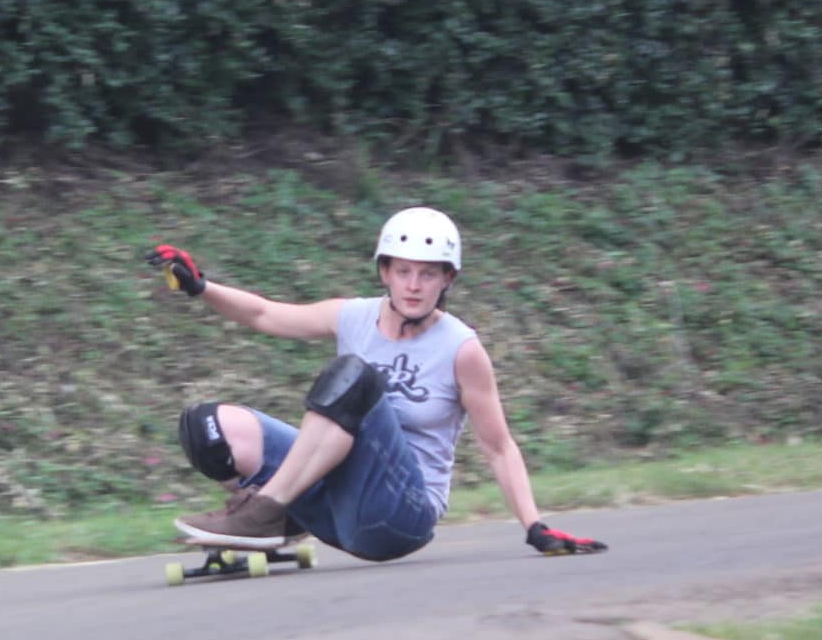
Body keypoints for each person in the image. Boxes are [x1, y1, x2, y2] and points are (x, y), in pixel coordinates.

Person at [148, 207, 608, 561]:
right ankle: (278, 520)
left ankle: (261, 512)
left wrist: (535, 526)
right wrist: (200, 287)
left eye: (428, 274)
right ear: (385, 272)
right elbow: (266, 314)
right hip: (339, 505)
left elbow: (499, 447)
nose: (414, 285)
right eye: (403, 271)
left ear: (447, 280)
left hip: (400, 516)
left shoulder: (462, 349)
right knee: (208, 426)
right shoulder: (355, 316)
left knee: (355, 379)